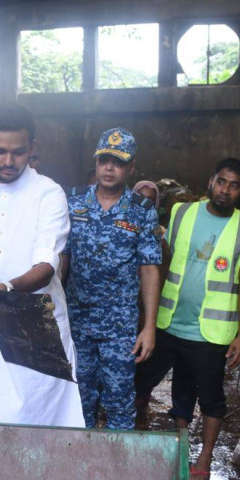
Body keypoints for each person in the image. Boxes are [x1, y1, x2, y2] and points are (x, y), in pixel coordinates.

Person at [0, 105, 84, 428]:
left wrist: (8, 288)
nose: (8, 161)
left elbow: (47, 266)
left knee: (40, 425)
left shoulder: (49, 194)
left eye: (18, 152)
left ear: (33, 148)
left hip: (37, 324)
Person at [133, 158, 240, 480]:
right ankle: (173, 444)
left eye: (234, 186)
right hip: (168, 321)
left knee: (211, 398)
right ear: (210, 180)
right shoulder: (182, 212)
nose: (225, 190)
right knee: (140, 382)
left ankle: (202, 460)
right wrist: (144, 314)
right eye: (221, 182)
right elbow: (161, 261)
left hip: (211, 332)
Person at [64, 129, 162, 430]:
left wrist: (148, 327)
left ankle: (118, 471)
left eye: (117, 162)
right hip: (76, 321)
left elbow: (149, 268)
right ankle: (79, 467)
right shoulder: (72, 203)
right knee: (78, 400)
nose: (109, 168)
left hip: (119, 326)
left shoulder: (141, 211)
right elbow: (59, 260)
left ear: (131, 168)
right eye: (104, 160)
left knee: (120, 403)